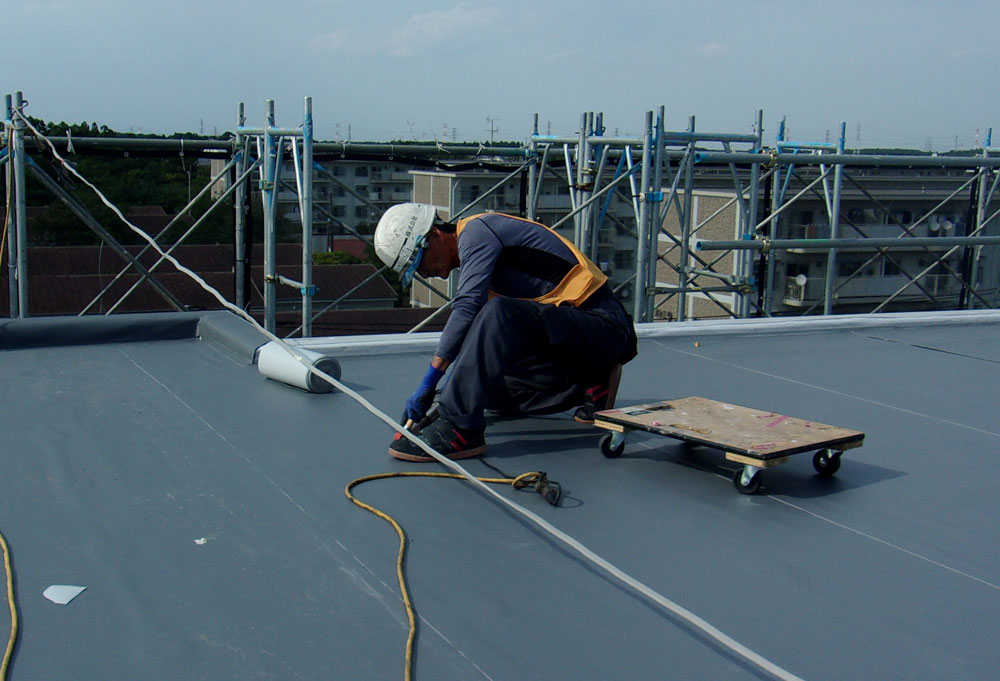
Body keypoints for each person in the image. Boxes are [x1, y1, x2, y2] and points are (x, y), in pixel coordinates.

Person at [373, 203, 637, 462]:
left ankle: (461, 431)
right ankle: (592, 379)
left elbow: (467, 308)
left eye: (419, 263)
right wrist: (443, 398)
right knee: (481, 390)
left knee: (499, 312)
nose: (425, 274)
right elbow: (475, 345)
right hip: (574, 341)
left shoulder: (478, 233)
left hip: (605, 326)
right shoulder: (481, 264)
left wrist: (429, 381)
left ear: (434, 236)